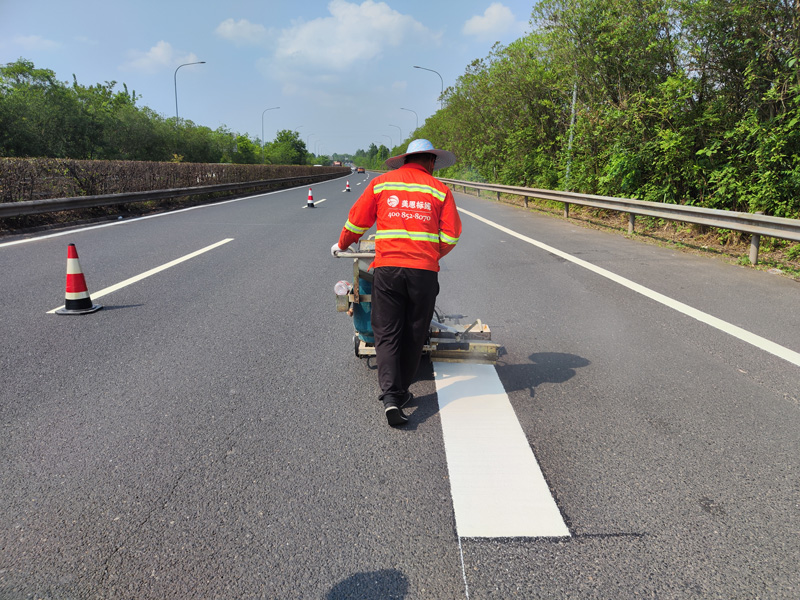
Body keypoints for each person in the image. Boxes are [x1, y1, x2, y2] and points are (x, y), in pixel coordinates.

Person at [331, 139, 462, 427]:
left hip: (388, 269)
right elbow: (452, 235)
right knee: (415, 332)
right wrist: (428, 255)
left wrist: (342, 244)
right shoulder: (440, 190)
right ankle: (401, 391)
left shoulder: (382, 184)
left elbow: (357, 222)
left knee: (387, 332)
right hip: (423, 273)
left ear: (405, 160)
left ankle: (391, 397)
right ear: (429, 161)